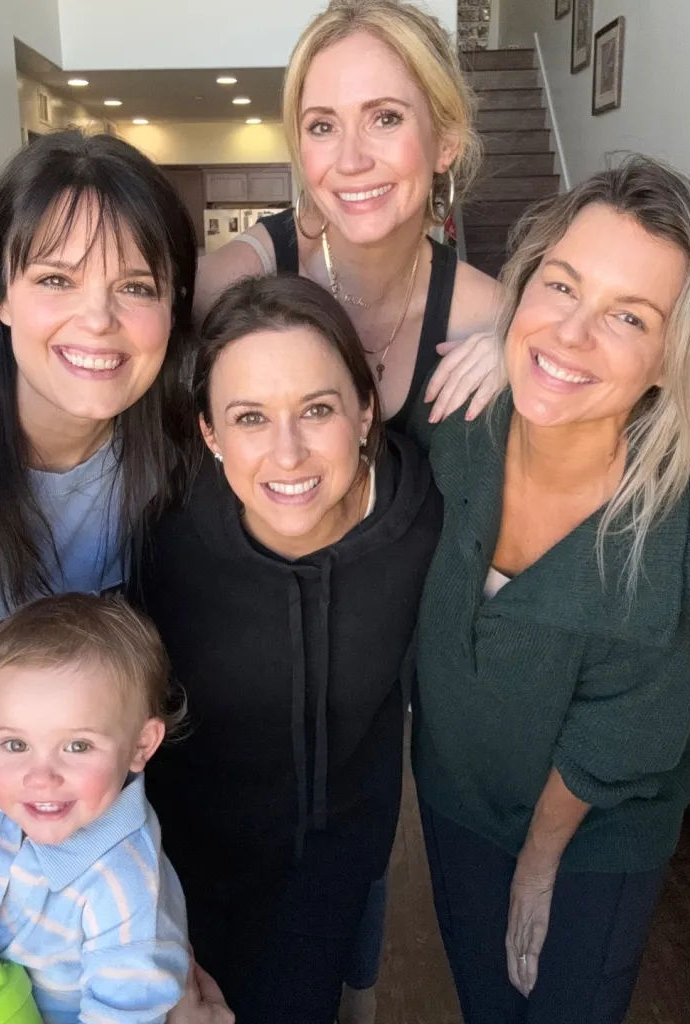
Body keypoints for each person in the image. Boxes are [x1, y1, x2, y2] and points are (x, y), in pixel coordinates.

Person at [0, 0, 501, 500]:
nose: (352, 158)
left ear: (445, 139)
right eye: (322, 126)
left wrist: (524, 353)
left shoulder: (490, 318)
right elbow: (101, 327)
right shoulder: (234, 279)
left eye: (386, 117)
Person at [411, 156, 690, 1023]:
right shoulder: (460, 426)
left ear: (677, 357)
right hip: (452, 793)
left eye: (629, 315)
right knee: (487, 1003)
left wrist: (540, 860)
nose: (571, 335)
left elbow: (623, 735)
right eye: (562, 286)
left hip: (594, 838)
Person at [132, 273, 442, 1024]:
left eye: (318, 409)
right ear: (208, 432)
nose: (289, 453)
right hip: (175, 872)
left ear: (366, 411)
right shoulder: (161, 535)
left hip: (328, 868)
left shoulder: (424, 513)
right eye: (248, 417)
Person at [0, 130, 197, 643]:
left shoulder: (180, 454)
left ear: (172, 306)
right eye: (56, 281)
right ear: (0, 292)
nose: (97, 320)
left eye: (135, 287)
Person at [0, 593, 189, 1024]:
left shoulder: (127, 891)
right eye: (15, 744)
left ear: (140, 745)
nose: (41, 777)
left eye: (77, 746)